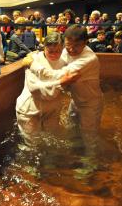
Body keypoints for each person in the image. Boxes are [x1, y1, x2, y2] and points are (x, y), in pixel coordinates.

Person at [27, 25, 103, 158]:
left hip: (90, 104)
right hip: (75, 101)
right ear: (64, 42)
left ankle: (89, 163)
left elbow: (60, 75)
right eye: (68, 45)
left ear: (86, 42)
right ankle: (76, 154)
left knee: (89, 136)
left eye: (77, 45)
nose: (71, 49)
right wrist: (35, 54)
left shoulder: (89, 59)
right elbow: (51, 52)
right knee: (72, 130)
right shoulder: (65, 50)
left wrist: (32, 64)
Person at [16, 32, 79, 146]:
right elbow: (35, 89)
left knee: (52, 142)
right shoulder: (32, 61)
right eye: (50, 51)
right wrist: (61, 83)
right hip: (29, 110)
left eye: (58, 51)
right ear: (44, 47)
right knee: (32, 145)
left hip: (52, 110)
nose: (55, 55)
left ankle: (50, 163)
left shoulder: (64, 62)